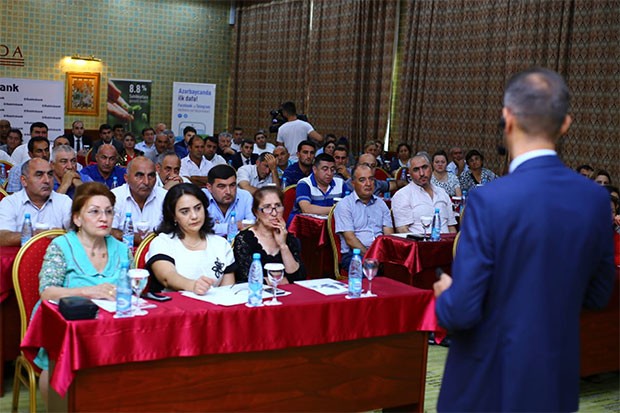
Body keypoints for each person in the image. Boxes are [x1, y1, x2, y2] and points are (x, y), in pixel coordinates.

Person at [433, 68, 615, 412]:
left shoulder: (489, 200)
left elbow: (462, 312)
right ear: (565, 125)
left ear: (508, 117)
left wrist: (446, 296)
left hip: (488, 383)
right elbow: (598, 294)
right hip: (554, 379)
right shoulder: (594, 200)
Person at [34, 182, 132, 400]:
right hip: (69, 327)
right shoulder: (62, 246)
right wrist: (90, 291)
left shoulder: (122, 249)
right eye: (95, 212)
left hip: (114, 330)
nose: (104, 218)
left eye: (109, 212)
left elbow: (133, 291)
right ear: (77, 218)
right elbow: (47, 292)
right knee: (57, 359)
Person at [146, 183, 235, 294]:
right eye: (185, 212)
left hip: (215, 304)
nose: (194, 216)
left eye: (198, 208)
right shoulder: (163, 242)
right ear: (173, 216)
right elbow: (167, 277)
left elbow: (228, 291)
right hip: (175, 304)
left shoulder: (221, 244)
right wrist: (193, 286)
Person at [233, 187, 305, 283]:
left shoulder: (290, 238)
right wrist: (282, 280)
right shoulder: (244, 239)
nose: (274, 213)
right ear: (256, 212)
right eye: (267, 207)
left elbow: (298, 278)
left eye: (278, 206)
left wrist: (283, 246)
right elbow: (249, 279)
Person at [0, 158, 72, 246]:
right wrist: (36, 235)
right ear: (24, 181)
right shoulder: (10, 203)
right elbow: (2, 236)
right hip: (21, 254)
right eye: (39, 175)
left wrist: (62, 235)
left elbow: (79, 233)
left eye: (50, 174)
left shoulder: (64, 201)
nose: (47, 180)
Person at [334, 164, 393, 268]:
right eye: (362, 180)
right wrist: (371, 257)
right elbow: (350, 239)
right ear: (353, 183)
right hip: (355, 254)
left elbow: (389, 235)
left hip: (380, 252)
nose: (368, 184)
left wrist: (383, 256)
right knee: (370, 268)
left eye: (371, 179)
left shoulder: (381, 203)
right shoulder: (345, 205)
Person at [392, 153, 457, 234]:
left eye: (425, 167)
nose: (422, 173)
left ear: (431, 168)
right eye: (416, 170)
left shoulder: (442, 193)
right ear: (410, 173)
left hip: (446, 240)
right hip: (419, 241)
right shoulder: (402, 195)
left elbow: (451, 227)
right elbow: (402, 230)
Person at [111, 157, 167, 245]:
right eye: (139, 175)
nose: (146, 182)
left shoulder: (165, 197)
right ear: (126, 178)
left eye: (151, 176)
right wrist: (138, 238)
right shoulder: (115, 197)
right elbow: (108, 231)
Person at [290, 153, 345, 222]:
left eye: (332, 170)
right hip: (305, 225)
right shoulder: (304, 183)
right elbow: (306, 209)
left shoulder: (340, 183)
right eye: (325, 169)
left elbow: (350, 205)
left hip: (334, 225)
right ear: (315, 169)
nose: (329, 173)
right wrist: (336, 210)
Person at [203, 164, 255, 237]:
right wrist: (235, 226)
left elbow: (252, 224)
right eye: (222, 186)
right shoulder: (200, 197)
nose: (228, 192)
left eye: (232, 185)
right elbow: (201, 228)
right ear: (209, 187)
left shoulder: (245, 196)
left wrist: (218, 227)